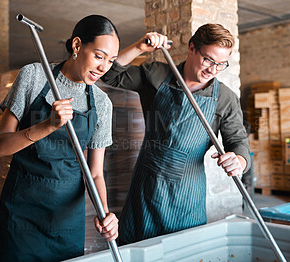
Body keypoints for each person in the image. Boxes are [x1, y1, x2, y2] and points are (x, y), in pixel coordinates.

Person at [101, 23, 251, 245]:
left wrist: (239, 161)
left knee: (184, 252)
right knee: (136, 251)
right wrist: (139, 47)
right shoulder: (158, 74)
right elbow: (110, 75)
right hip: (146, 188)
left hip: (187, 194)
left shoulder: (225, 99)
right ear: (192, 48)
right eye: (208, 60)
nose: (213, 70)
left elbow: (237, 142)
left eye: (221, 64)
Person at [0, 15, 120, 262]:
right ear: (77, 46)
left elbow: (94, 174)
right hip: (22, 212)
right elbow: (0, 147)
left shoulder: (102, 103)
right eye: (99, 56)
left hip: (66, 219)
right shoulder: (34, 76)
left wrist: (104, 212)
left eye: (111, 61)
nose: (105, 67)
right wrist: (48, 126)